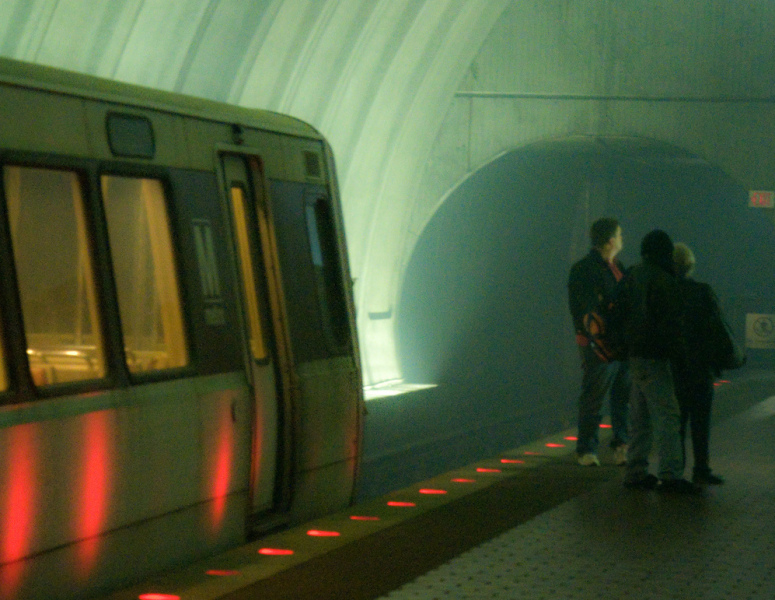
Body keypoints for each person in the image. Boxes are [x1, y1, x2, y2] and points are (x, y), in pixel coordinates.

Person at [618, 229, 699, 493]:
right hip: (655, 357)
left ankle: (636, 471)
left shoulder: (631, 275)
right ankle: (670, 474)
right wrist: (681, 359)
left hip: (634, 355)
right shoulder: (664, 280)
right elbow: (671, 325)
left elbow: (617, 311)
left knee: (640, 417)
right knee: (668, 415)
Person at [567, 218, 630, 467]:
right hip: (600, 344)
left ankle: (614, 446)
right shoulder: (589, 269)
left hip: (618, 343)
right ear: (610, 241)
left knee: (616, 396)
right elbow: (584, 308)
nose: (623, 239)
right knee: (598, 395)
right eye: (620, 235)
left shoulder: (614, 267)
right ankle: (587, 449)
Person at [672, 243, 724, 485]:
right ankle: (701, 468)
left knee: (677, 422)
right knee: (701, 422)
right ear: (690, 265)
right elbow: (716, 328)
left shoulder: (667, 292)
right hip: (701, 366)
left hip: (676, 366)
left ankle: (675, 470)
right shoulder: (703, 291)